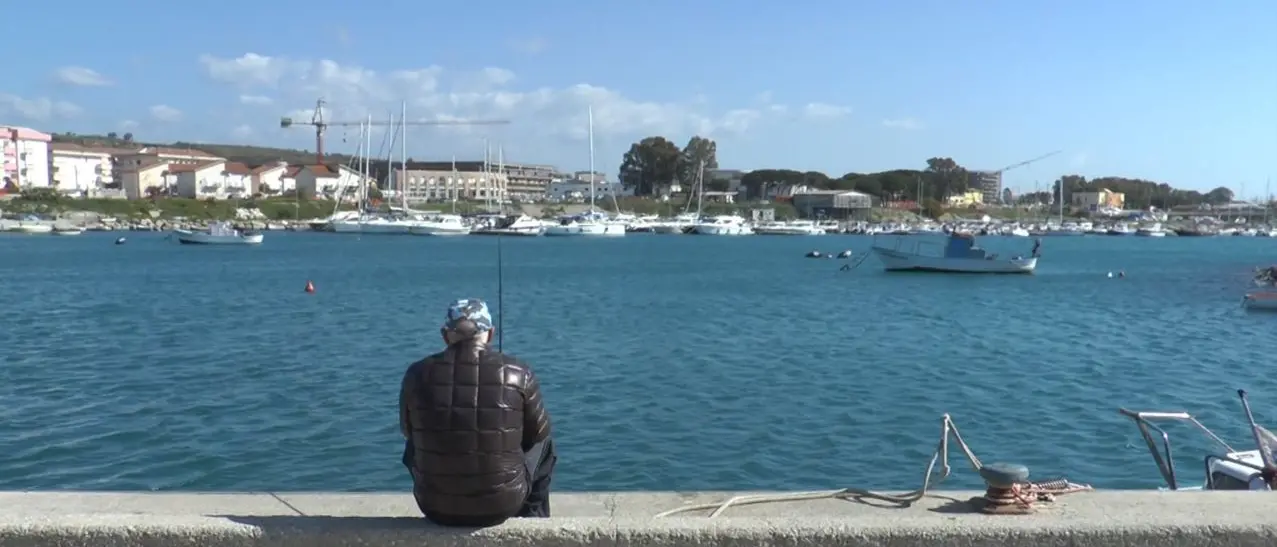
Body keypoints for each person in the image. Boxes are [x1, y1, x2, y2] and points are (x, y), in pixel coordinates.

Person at [399, 298, 555, 527]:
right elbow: (537, 435)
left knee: (414, 442)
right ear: (490, 334)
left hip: (434, 507)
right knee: (545, 444)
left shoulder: (416, 374)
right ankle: (533, 521)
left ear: (445, 335)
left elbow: (407, 431)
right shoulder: (519, 373)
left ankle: (442, 490)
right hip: (503, 506)